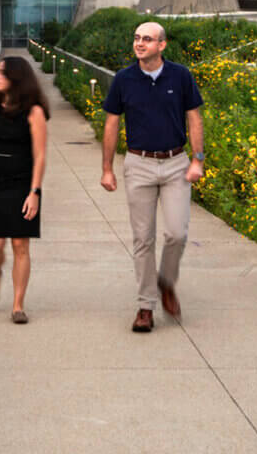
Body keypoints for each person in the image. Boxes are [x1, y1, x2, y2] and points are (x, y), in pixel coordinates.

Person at [97, 21, 204, 333]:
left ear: (162, 45)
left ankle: (166, 281)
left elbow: (194, 117)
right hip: (139, 164)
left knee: (177, 233)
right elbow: (111, 124)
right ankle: (146, 306)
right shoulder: (123, 80)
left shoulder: (181, 76)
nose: (139, 44)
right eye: (136, 39)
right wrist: (107, 168)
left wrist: (197, 160)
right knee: (143, 239)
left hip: (176, 164)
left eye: (147, 39)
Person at [0, 55, 49, 323]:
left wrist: (34, 192)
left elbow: (39, 155)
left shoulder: (34, 112)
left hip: (23, 182)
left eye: (1, 73)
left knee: (20, 244)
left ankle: (17, 306)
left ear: (16, 78)